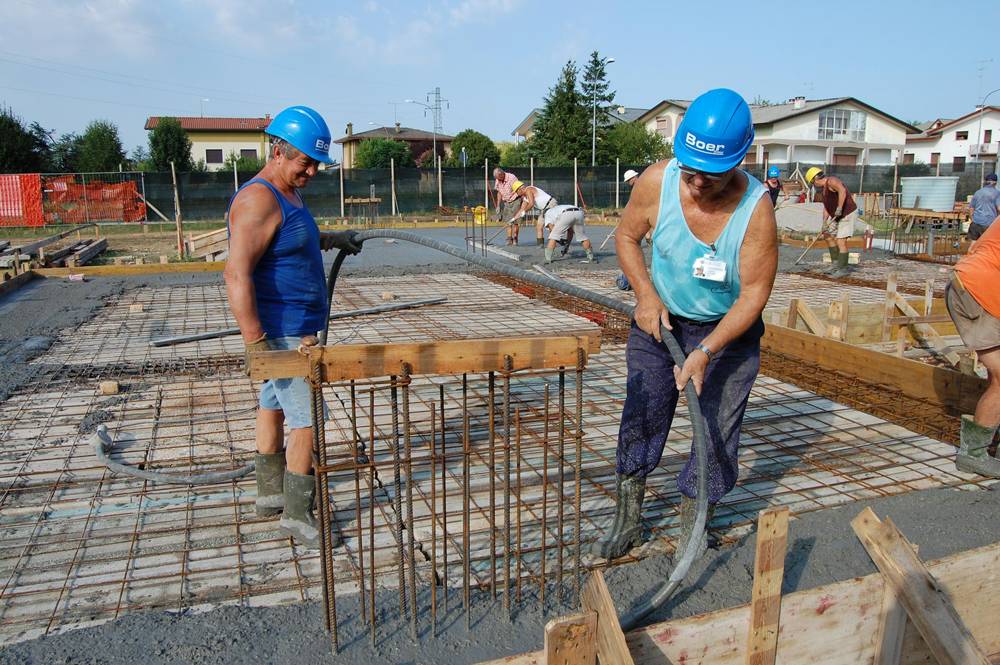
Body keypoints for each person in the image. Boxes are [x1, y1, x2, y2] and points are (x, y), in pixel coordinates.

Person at [590, 88, 778, 561]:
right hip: (662, 324)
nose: (695, 184)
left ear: (737, 163)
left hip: (727, 336)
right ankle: (628, 518)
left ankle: (695, 522)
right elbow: (628, 238)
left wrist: (708, 349)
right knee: (643, 411)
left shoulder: (756, 210)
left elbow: (755, 294)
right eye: (689, 171)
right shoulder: (657, 182)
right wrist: (646, 296)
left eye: (709, 177)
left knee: (715, 427)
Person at [224, 105, 362, 548]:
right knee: (307, 420)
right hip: (283, 333)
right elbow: (236, 273)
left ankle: (269, 494)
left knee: (274, 404)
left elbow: (292, 238)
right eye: (306, 161)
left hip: (293, 328)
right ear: (279, 151)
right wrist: (256, 344)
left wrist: (332, 239)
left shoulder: (288, 194)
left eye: (317, 162)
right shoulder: (258, 199)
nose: (313, 170)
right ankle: (298, 515)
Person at [946, 219, 1000, 477]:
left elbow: (976, 246)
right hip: (980, 293)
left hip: (969, 285)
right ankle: (973, 455)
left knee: (996, 376)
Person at [510, 182, 596, 263]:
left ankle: (549, 257)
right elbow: (522, 209)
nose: (517, 194)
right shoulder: (525, 198)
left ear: (519, 189)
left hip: (550, 205)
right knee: (578, 235)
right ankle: (589, 256)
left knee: (554, 234)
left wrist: (525, 211)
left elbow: (531, 204)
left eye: (516, 192)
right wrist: (513, 219)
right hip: (577, 212)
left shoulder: (528, 189)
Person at [805, 167, 858, 278]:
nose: (814, 186)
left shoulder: (832, 181)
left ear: (815, 180)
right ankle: (835, 264)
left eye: (812, 183)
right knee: (827, 235)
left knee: (840, 241)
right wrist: (824, 222)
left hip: (847, 213)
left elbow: (842, 190)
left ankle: (843, 269)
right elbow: (827, 207)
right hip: (836, 215)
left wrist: (839, 208)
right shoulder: (824, 190)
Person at [967, 173, 1000, 242]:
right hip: (988, 224)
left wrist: (973, 220)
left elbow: (971, 208)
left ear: (986, 182)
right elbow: (999, 208)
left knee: (973, 244)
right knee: (987, 246)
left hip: (975, 223)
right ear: (995, 182)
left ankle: (971, 253)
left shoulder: (978, 192)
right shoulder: (997, 193)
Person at [493, 167, 522, 245]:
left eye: (499, 178)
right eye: (497, 179)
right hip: (506, 202)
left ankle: (515, 238)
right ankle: (509, 239)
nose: (498, 180)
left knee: (515, 221)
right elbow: (499, 193)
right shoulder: (497, 179)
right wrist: (498, 205)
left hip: (516, 200)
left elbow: (519, 190)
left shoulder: (512, 178)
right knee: (508, 221)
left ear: (502, 174)